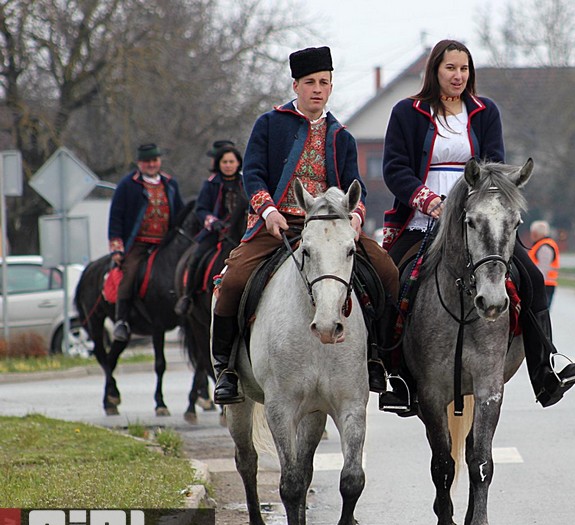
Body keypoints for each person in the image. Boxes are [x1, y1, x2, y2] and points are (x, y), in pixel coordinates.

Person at [379, 39, 575, 415]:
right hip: (422, 218)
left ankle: (546, 368)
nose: (458, 76)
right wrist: (430, 202)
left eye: (464, 69)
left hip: (480, 218)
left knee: (533, 279)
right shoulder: (407, 112)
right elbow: (394, 169)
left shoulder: (485, 111)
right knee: (390, 280)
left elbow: (497, 167)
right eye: (450, 68)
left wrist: (479, 202)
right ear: (435, 71)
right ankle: (394, 375)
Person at [212, 46, 399, 405]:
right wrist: (268, 211)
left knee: (386, 273)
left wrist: (356, 218)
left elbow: (353, 186)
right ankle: (227, 369)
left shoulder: (341, 135)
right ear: (296, 85)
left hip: (329, 227)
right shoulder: (269, 124)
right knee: (234, 280)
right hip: (277, 225)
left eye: (324, 82)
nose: (317, 89)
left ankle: (379, 360)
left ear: (331, 87)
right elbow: (252, 174)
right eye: (310, 82)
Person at [108, 143, 185, 342]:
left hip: (165, 243)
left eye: (154, 160)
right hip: (139, 244)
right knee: (130, 273)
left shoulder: (170, 183)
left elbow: (180, 214)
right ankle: (122, 320)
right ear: (139, 163)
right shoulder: (127, 185)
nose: (151, 164)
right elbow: (116, 216)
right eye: (147, 161)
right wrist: (117, 248)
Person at [175, 145, 246, 316]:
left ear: (238, 163)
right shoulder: (210, 184)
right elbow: (201, 209)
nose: (228, 165)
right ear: (219, 164)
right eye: (224, 162)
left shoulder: (246, 183)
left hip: (242, 232)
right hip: (216, 233)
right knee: (197, 256)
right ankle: (187, 296)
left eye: (231, 161)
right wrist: (213, 222)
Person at [527, 220, 560, 306]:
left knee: (540, 314)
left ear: (535, 233)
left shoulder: (545, 247)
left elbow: (543, 268)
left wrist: (535, 284)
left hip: (544, 285)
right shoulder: (541, 245)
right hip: (544, 285)